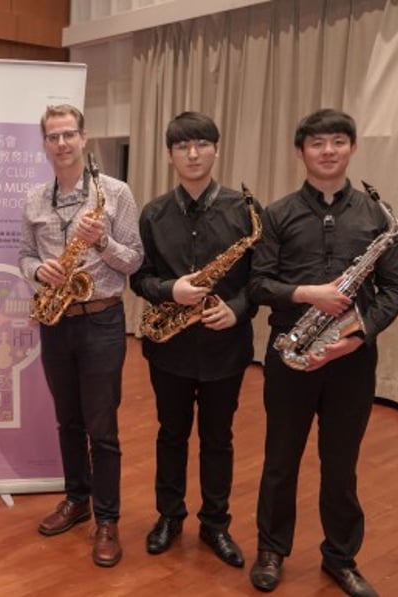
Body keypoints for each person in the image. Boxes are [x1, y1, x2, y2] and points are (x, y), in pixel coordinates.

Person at [248, 109, 398, 596]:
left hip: (352, 361)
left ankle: (340, 556)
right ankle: (272, 550)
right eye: (317, 143)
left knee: (341, 464)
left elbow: (394, 290)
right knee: (280, 460)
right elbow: (258, 284)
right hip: (290, 353)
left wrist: (356, 335)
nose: (329, 151)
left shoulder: (377, 217)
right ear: (301, 153)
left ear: (352, 148)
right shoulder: (278, 213)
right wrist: (308, 295)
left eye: (338, 141)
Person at [130, 111, 262, 568]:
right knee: (171, 434)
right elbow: (140, 279)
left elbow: (262, 278)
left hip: (226, 345)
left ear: (215, 149)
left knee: (218, 438)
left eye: (202, 143)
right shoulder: (153, 213)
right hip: (169, 348)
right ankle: (169, 516)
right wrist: (171, 290)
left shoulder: (245, 210)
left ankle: (216, 524)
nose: (192, 153)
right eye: (183, 146)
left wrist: (239, 308)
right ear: (170, 155)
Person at [19, 104, 144, 567]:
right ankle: (77, 499)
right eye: (53, 136)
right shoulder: (35, 197)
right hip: (55, 320)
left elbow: (133, 260)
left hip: (101, 320)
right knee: (67, 420)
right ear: (45, 144)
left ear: (84, 138)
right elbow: (23, 255)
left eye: (69, 134)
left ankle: (107, 519)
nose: (62, 143)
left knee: (102, 427)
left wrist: (102, 242)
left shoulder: (115, 193)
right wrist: (38, 269)